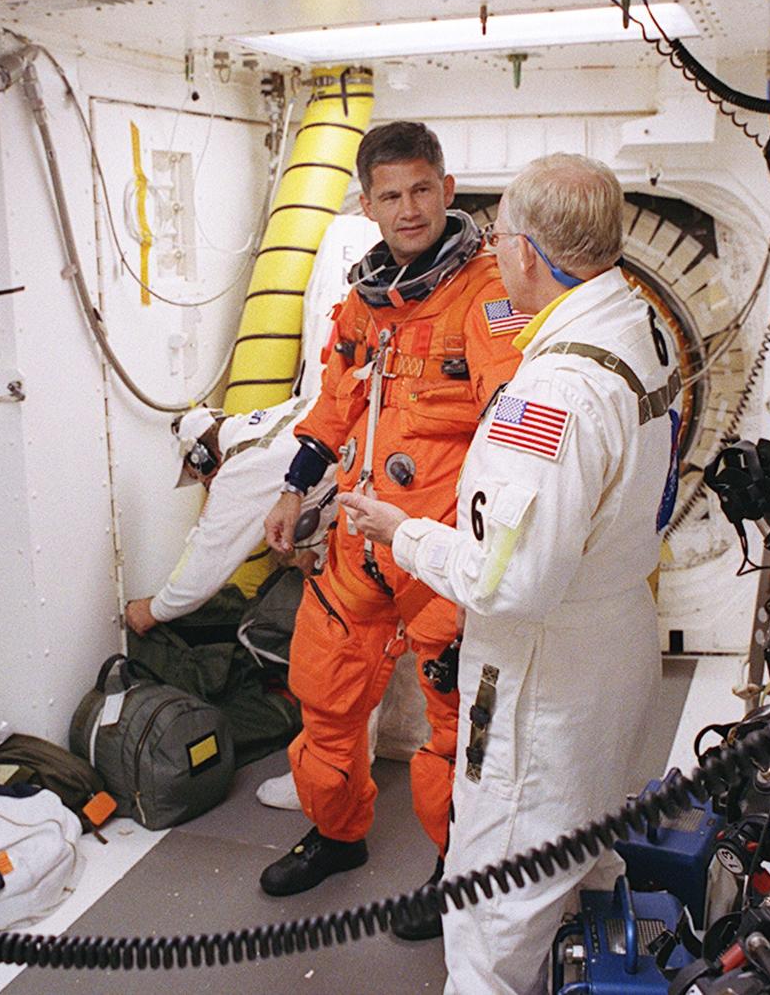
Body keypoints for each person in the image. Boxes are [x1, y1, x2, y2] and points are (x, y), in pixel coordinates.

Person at [341, 153, 682, 993]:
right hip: (614, 643)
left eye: (500, 241)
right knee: (581, 846)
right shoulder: (641, 331)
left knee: (494, 905)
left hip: (544, 672)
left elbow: (511, 581)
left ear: (527, 251)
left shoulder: (554, 393)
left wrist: (405, 533)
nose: (493, 255)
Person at [257, 122, 525, 933]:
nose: (408, 209)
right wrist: (292, 490)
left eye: (421, 190)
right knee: (325, 697)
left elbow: (515, 426)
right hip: (358, 543)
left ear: (446, 190)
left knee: (454, 732)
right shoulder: (363, 302)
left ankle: (455, 873)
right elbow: (335, 405)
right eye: (390, 195)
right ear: (368, 204)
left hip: (441, 553)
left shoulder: (491, 296)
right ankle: (339, 836)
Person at [124, 396, 332, 638]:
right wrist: (315, 552)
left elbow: (205, 565)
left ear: (201, 457)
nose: (206, 484)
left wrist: (153, 610)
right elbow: (324, 481)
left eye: (199, 475)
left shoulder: (239, 471)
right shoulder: (272, 417)